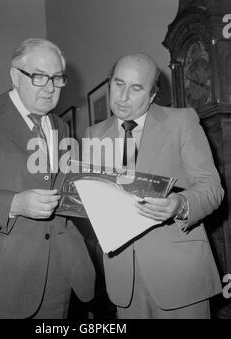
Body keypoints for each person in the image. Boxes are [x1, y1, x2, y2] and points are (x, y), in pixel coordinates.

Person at [0, 38, 95, 319]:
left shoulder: (62, 127)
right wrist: (16, 203)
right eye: (39, 76)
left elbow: (68, 196)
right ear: (15, 76)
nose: (50, 87)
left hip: (58, 277)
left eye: (57, 78)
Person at [83, 53, 224, 319]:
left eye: (136, 88)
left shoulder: (182, 121)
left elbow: (211, 188)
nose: (123, 97)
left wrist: (179, 205)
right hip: (124, 280)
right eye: (118, 83)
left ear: (152, 95)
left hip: (179, 275)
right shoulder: (93, 135)